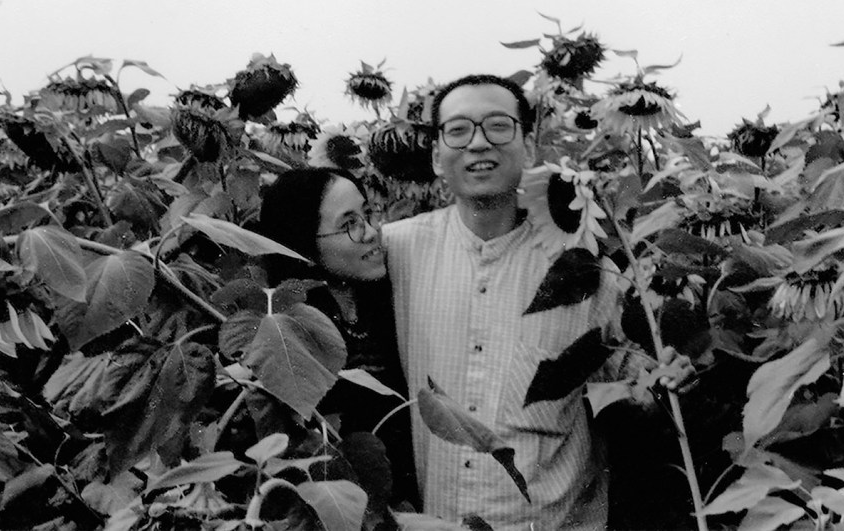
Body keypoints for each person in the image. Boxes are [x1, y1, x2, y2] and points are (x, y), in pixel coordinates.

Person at [383, 74, 693, 529]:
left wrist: (665, 380)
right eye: (458, 130)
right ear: (435, 154)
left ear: (529, 147)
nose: (478, 144)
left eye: (498, 126)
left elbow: (636, 381)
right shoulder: (397, 251)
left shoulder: (582, 268)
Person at [258, 167, 419, 511]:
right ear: (303, 242)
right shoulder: (287, 329)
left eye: (369, 214)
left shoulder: (390, 301)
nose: (371, 233)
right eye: (349, 224)